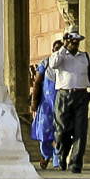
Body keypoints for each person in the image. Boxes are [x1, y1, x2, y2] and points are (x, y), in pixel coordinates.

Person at [47, 30, 90, 174]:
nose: (74, 45)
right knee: (62, 132)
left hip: (81, 96)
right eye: (72, 42)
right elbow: (53, 64)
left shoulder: (85, 57)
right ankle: (62, 155)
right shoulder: (60, 56)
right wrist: (63, 47)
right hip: (63, 96)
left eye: (76, 42)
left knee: (80, 130)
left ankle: (76, 162)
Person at [29, 38, 64, 168]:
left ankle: (57, 160)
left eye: (60, 49)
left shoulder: (66, 66)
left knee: (59, 132)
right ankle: (46, 155)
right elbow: (37, 83)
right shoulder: (45, 63)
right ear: (52, 51)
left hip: (61, 104)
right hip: (46, 104)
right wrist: (34, 102)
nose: (57, 52)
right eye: (55, 49)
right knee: (45, 131)